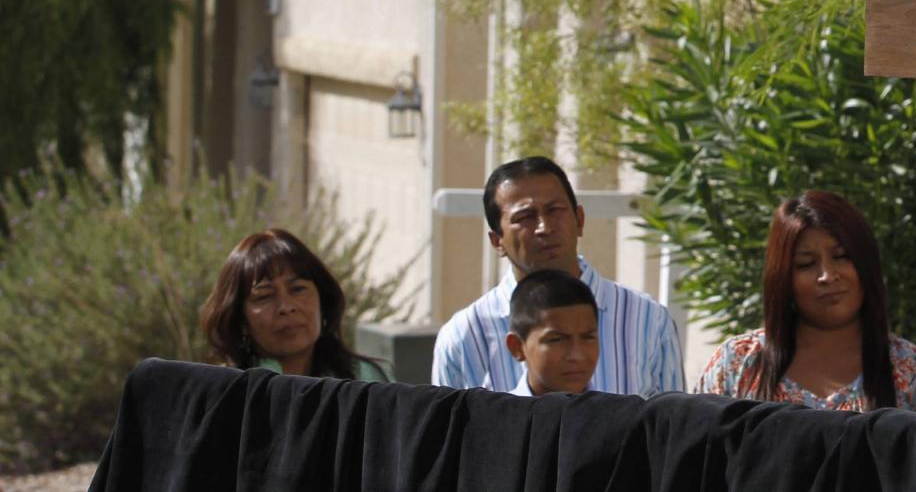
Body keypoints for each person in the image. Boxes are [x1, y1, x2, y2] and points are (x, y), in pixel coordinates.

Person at [431, 155, 684, 395]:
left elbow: (676, 432)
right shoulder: (463, 337)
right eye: (525, 217)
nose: (544, 227)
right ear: (497, 241)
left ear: (580, 220)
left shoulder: (648, 321)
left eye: (555, 210)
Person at [697, 190, 916, 413]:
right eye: (806, 264)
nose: (827, 275)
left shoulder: (912, 371)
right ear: (782, 278)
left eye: (842, 256)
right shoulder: (737, 364)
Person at [199, 228, 388, 381]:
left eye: (298, 289)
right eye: (264, 296)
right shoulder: (223, 393)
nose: (286, 307)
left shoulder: (366, 379)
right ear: (240, 321)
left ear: (322, 299)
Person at [505, 270, 601, 396]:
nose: (577, 355)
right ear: (517, 346)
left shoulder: (622, 414)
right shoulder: (497, 415)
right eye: (556, 340)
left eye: (588, 337)